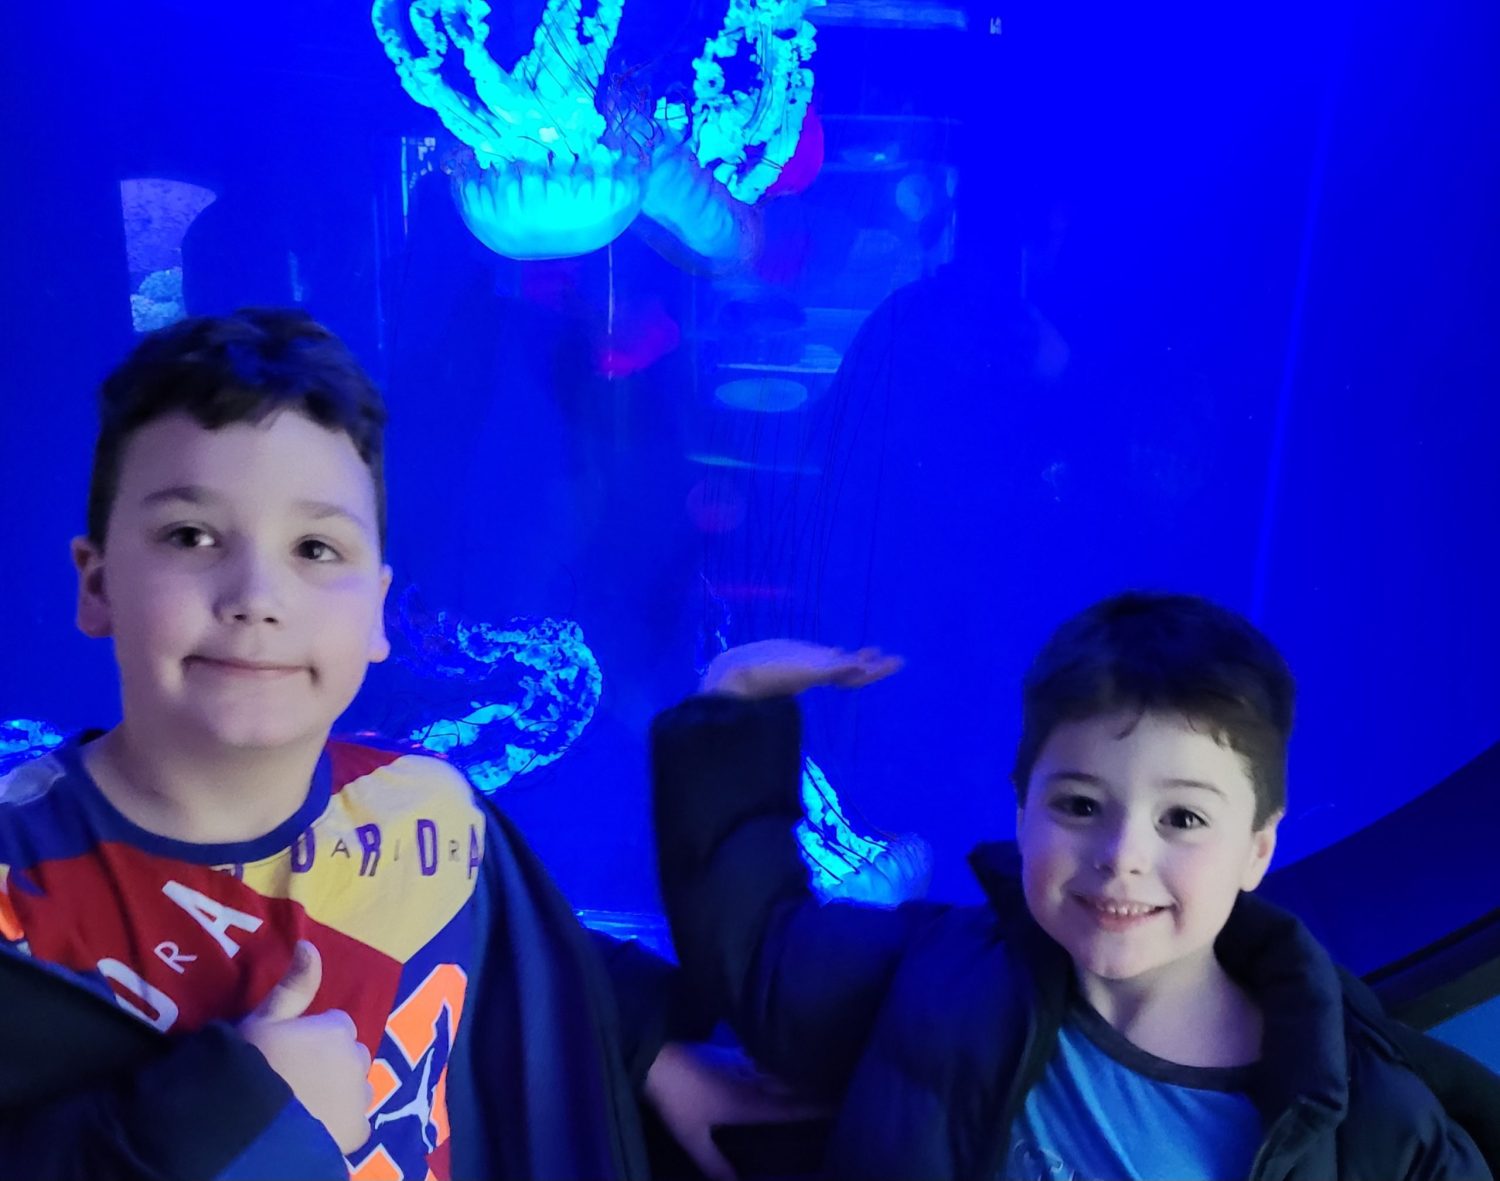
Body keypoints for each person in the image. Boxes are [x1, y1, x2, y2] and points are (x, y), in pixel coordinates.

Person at [0, 307, 767, 1181]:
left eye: (317, 547)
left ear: (379, 610)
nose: (257, 594)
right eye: (190, 535)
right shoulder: (12, 880)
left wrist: (646, 1051)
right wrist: (237, 1116)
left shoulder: (434, 813)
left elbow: (535, 970)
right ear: (96, 583)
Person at [651, 591, 1498, 1179]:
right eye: (1081, 803)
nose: (1122, 853)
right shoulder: (937, 971)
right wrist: (735, 696)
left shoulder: (1369, 1121)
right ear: (1022, 811)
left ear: (1258, 849)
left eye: (1184, 818)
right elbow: (759, 946)